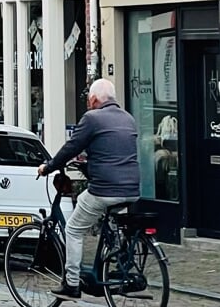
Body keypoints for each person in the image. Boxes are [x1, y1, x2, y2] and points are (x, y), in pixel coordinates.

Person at [37, 79, 140, 301]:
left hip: (105, 188)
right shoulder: (128, 118)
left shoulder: (92, 118)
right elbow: (114, 150)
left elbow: (71, 147)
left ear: (94, 99)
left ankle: (72, 284)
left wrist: (49, 167)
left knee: (74, 229)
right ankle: (115, 262)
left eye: (88, 99)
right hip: (132, 188)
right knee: (111, 222)